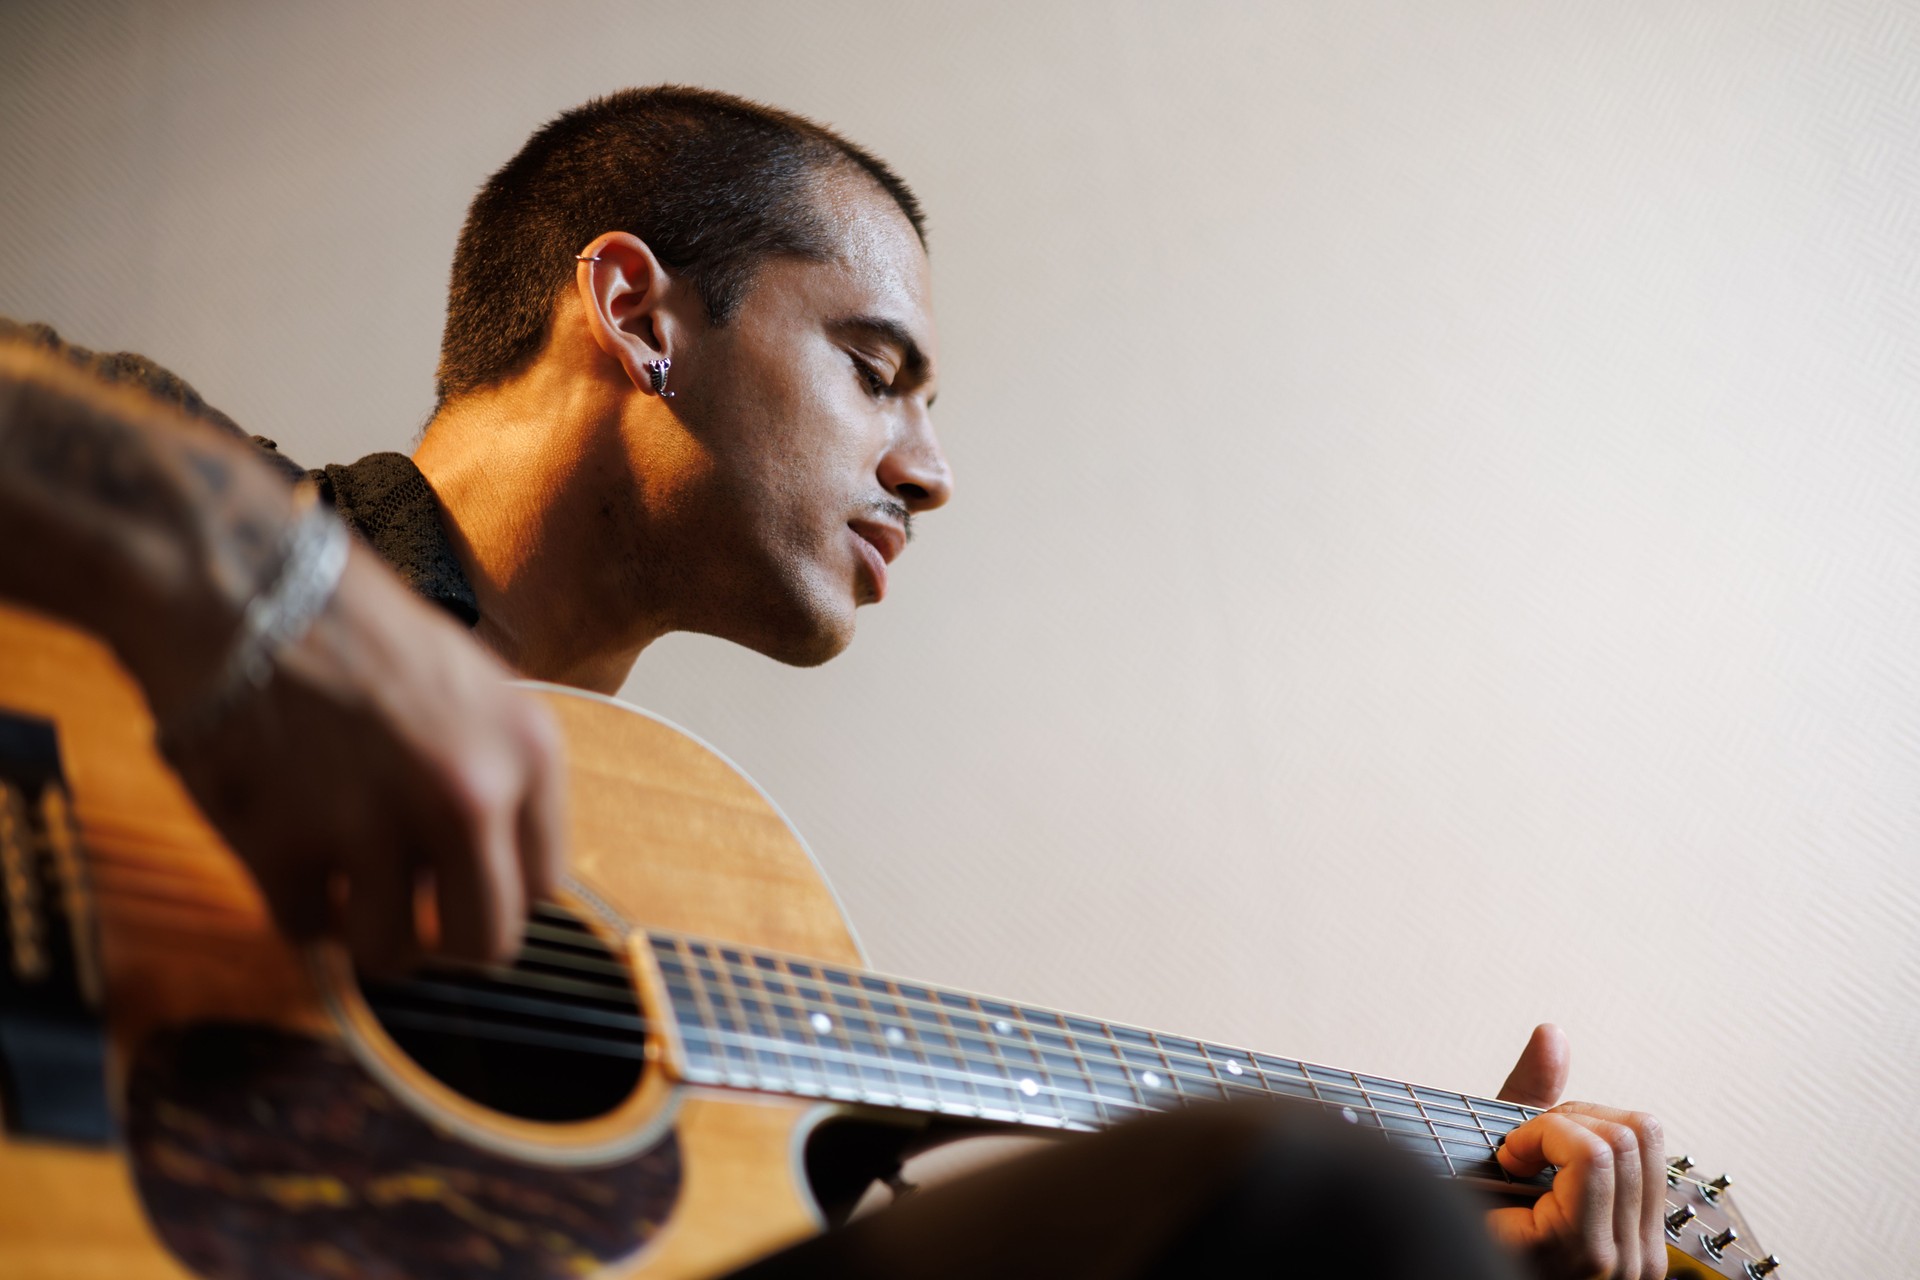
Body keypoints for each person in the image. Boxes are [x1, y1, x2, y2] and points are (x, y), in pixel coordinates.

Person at [0, 87, 1666, 1280]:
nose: (929, 471)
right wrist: (266, 587)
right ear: (638, 314)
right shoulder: (179, 492)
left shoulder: (703, 874)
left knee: (1325, 1224)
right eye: (880, 373)